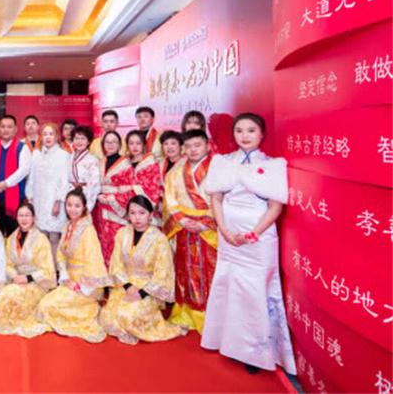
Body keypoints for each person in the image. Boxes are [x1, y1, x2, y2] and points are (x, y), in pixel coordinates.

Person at [201, 113, 296, 375]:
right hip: (229, 237)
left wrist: (254, 233)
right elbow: (216, 199)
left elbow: (275, 207)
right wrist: (224, 230)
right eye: (239, 130)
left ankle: (254, 353)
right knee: (229, 286)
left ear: (262, 134)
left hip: (259, 239)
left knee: (254, 292)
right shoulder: (222, 162)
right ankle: (225, 340)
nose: (245, 136)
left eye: (251, 130)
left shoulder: (274, 165)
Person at [99, 196, 184, 345]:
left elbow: (163, 273)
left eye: (142, 213)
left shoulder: (159, 239)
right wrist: (128, 287)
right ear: (128, 215)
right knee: (107, 316)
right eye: (132, 213)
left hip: (148, 288)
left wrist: (142, 293)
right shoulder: (122, 234)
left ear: (150, 215)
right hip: (125, 285)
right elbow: (116, 264)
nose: (137, 217)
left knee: (127, 316)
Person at [37, 189, 109, 343]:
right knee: (44, 306)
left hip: (85, 285)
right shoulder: (67, 226)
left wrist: (82, 286)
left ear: (84, 207)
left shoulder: (88, 230)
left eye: (77, 206)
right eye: (69, 205)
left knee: (49, 306)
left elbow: (94, 261)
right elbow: (61, 254)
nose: (72, 209)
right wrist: (65, 277)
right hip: (69, 281)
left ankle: (91, 307)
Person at [163, 129, 216, 334]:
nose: (193, 150)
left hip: (209, 230)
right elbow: (170, 199)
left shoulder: (218, 169)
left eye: (197, 145)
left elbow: (225, 201)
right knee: (185, 271)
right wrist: (182, 219)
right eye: (188, 146)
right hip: (183, 227)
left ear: (207, 146)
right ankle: (185, 313)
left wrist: (205, 223)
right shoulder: (175, 172)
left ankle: (211, 317)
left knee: (210, 271)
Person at [0, 202, 56, 338]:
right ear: (16, 217)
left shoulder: (41, 239)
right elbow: (8, 264)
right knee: (7, 292)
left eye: (27, 215)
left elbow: (48, 270)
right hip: (17, 281)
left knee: (11, 293)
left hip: (37, 283)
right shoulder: (12, 238)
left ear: (33, 218)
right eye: (21, 215)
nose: (24, 219)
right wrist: (15, 277)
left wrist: (28, 278)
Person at [0, 115, 31, 236]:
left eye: (9, 127)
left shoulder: (22, 147)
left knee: (14, 233)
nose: (6, 130)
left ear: (15, 129)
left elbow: (24, 170)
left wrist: (6, 183)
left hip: (15, 199)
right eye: (3, 126)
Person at [26, 123, 70, 253]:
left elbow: (64, 181)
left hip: (55, 201)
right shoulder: (36, 154)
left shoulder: (63, 155)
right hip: (39, 200)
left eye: (51, 134)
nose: (48, 137)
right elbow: (31, 177)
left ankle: (54, 265)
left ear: (57, 136)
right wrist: (30, 197)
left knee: (54, 237)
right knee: (41, 236)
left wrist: (58, 201)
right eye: (45, 134)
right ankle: (43, 264)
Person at [93, 131, 131, 266]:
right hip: (101, 207)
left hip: (117, 208)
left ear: (120, 145)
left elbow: (130, 188)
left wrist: (111, 198)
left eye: (114, 142)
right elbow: (93, 183)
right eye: (107, 142)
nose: (110, 145)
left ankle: (118, 272)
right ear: (103, 145)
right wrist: (97, 195)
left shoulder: (126, 163)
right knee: (103, 239)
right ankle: (105, 271)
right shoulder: (99, 162)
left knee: (117, 240)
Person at [68, 126, 101, 213]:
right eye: (76, 138)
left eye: (83, 139)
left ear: (88, 141)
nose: (79, 141)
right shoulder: (67, 157)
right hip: (69, 194)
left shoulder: (93, 160)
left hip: (85, 195)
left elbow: (94, 183)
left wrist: (87, 202)